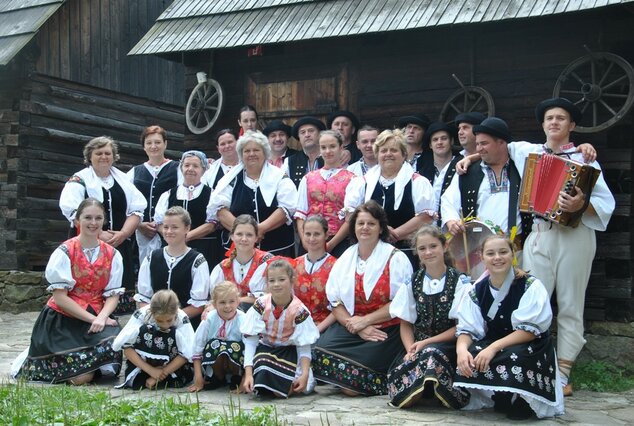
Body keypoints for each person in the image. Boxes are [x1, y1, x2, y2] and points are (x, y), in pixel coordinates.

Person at [505, 97, 615, 396]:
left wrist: (582, 203)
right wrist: (469, 159)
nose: (554, 122)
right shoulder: (527, 151)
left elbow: (607, 204)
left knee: (569, 304)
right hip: (539, 233)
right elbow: (494, 147)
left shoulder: (584, 160)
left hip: (574, 235)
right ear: (542, 124)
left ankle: (563, 373)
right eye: (549, 118)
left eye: (561, 118)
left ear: (572, 126)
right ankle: (532, 365)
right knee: (533, 302)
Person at [12, 198, 123, 384]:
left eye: (98, 218)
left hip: (96, 314)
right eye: (88, 217)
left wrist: (102, 317)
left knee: (115, 342)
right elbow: (61, 298)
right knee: (81, 378)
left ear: (104, 221)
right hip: (62, 320)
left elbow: (113, 294)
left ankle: (87, 369)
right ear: (77, 220)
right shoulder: (64, 252)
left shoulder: (113, 254)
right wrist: (92, 319)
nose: (93, 223)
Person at [452, 235, 563, 419]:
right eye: (491, 253)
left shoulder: (530, 286)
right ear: (482, 257)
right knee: (472, 354)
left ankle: (525, 400)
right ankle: (500, 394)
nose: (497, 257)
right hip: (496, 342)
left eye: (503, 252)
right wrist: (461, 350)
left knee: (517, 356)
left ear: (512, 254)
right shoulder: (476, 290)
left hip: (529, 345)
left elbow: (528, 332)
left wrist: (493, 347)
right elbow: (467, 329)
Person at [312, 201, 413, 396]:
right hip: (353, 327)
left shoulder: (396, 258)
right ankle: (346, 378)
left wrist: (366, 322)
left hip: (386, 330)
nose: (365, 228)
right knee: (317, 349)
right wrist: (357, 327)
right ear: (354, 227)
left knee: (351, 388)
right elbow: (335, 302)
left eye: (371, 223)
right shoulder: (345, 259)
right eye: (360, 223)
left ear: (381, 228)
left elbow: (401, 303)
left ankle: (354, 381)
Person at [59, 136, 146, 314]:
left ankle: (113, 323)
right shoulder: (79, 180)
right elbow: (72, 210)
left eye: (108, 153)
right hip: (87, 244)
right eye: (98, 153)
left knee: (118, 289)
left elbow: (137, 210)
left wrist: (123, 234)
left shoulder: (124, 180)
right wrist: (99, 233)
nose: (104, 157)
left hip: (119, 243)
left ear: (114, 156)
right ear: (89, 156)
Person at [387, 225, 470, 409]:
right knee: (399, 373)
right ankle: (425, 388)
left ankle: (432, 389)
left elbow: (461, 327)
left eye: (433, 246)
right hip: (417, 346)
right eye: (422, 248)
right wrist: (410, 350)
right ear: (416, 252)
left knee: (431, 354)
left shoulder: (459, 281)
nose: (428, 252)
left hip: (447, 346)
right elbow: (406, 322)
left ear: (444, 246)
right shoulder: (412, 282)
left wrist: (426, 343)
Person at [345, 129, 436, 267]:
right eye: (383, 150)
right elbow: (350, 215)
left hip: (408, 252)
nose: (388, 154)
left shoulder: (417, 182)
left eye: (393, 150)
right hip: (370, 253)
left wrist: (395, 234)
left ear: (404, 154)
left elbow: (426, 217)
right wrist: (380, 230)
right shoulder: (362, 182)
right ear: (377, 154)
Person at [209, 130, 298, 257]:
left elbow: (288, 207)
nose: (251, 154)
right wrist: (244, 232)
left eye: (256, 150)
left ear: (265, 152)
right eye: (247, 151)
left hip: (276, 249)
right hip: (239, 250)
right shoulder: (230, 179)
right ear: (241, 154)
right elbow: (220, 209)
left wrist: (260, 229)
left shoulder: (279, 177)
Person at [240, 258, 320, 398]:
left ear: (292, 280)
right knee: (263, 362)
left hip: (289, 352)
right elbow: (251, 340)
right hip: (266, 350)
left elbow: (303, 344)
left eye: (281, 279)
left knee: (294, 387)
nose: (276, 284)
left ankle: (280, 386)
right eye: (272, 280)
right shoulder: (261, 305)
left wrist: (305, 373)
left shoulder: (299, 310)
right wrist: (247, 373)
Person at [135, 206, 210, 329]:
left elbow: (199, 305)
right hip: (154, 323)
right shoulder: (151, 257)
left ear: (187, 228)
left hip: (185, 325)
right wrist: (156, 320)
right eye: (166, 227)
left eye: (175, 227)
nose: (169, 231)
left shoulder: (197, 261)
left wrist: (171, 320)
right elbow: (143, 298)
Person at [113, 289, 195, 389]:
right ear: (151, 312)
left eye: (169, 320)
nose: (165, 325)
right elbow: (127, 347)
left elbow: (186, 353)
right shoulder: (141, 315)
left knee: (172, 333)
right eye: (159, 320)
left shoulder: (182, 319)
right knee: (145, 330)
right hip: (143, 365)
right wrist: (151, 371)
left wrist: (159, 376)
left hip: (172, 365)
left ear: (176, 312)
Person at [296, 130, 355, 257]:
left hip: (339, 241)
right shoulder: (308, 178)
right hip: (310, 240)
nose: (328, 151)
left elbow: (350, 218)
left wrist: (332, 244)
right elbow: (300, 214)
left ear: (341, 147)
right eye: (323, 147)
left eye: (332, 146)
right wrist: (305, 241)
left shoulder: (352, 179)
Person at [128, 125, 181, 261]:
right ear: (144, 147)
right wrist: (139, 225)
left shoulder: (177, 168)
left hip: (168, 230)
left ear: (165, 144)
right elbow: (125, 202)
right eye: (149, 143)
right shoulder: (135, 172)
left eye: (157, 142)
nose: (153, 146)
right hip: (141, 232)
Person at [154, 150, 216, 267]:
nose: (190, 169)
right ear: (181, 168)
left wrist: (185, 237)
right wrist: (173, 237)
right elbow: (159, 223)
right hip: (172, 249)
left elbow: (212, 224)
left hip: (203, 249)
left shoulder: (212, 195)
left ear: (204, 170)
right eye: (186, 165)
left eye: (195, 166)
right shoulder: (168, 194)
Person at [190, 281, 245, 392]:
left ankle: (236, 377)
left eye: (231, 301)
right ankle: (218, 376)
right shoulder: (209, 319)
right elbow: (197, 346)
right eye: (222, 302)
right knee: (214, 344)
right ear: (214, 304)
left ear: (238, 302)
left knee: (235, 346)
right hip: (215, 360)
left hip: (236, 362)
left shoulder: (243, 319)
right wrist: (198, 377)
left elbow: (249, 348)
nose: (227, 306)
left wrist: (245, 379)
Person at [208, 214, 272, 309]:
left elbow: (268, 298)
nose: (244, 239)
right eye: (239, 234)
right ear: (232, 236)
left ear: (256, 238)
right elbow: (215, 300)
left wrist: (236, 301)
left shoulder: (267, 262)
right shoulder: (223, 267)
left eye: (249, 235)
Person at [202, 129, 241, 267]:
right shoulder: (210, 172)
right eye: (223, 144)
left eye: (230, 142)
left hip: (245, 221)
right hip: (218, 230)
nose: (227, 146)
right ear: (218, 148)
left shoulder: (247, 166)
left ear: (238, 142)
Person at [294, 215, 337, 333]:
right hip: (295, 326)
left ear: (326, 235)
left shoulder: (337, 266)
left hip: (325, 328)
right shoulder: (294, 264)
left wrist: (317, 330)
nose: (312, 239)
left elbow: (340, 307)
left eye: (317, 234)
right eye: (308, 234)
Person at [419, 122, 463, 224]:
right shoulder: (422, 173)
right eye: (435, 139)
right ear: (430, 145)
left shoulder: (462, 165)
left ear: (451, 141)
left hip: (456, 226)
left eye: (444, 138)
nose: (439, 142)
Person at [284, 116, 326, 187]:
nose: (307, 135)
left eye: (311, 131)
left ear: (320, 134)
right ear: (299, 137)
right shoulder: (289, 161)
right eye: (303, 132)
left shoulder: (330, 156)